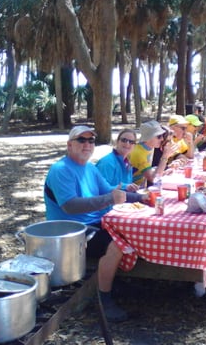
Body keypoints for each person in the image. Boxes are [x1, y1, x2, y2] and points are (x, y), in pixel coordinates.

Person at [43, 126, 139, 322]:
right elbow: (70, 206)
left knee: (132, 233)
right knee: (115, 246)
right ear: (70, 145)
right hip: (70, 231)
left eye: (91, 141)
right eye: (82, 140)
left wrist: (142, 197)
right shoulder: (60, 170)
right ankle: (104, 300)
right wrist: (109, 199)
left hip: (95, 222)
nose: (87, 144)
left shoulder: (90, 167)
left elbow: (109, 190)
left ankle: (113, 279)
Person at [129, 120, 176, 186]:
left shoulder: (150, 147)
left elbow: (150, 172)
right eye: (159, 136)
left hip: (140, 187)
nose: (162, 139)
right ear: (148, 138)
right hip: (129, 190)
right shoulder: (139, 153)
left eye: (162, 135)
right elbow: (154, 179)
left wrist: (163, 171)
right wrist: (165, 156)